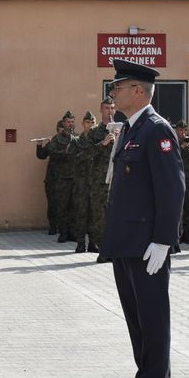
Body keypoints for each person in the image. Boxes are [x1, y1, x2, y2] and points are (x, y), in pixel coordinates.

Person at [101, 59, 184, 378]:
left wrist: (163, 240)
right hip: (127, 242)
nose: (112, 93)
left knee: (152, 316)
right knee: (136, 317)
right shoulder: (132, 129)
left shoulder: (156, 129)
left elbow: (172, 189)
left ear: (138, 90)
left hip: (147, 243)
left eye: (117, 87)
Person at [85, 99, 117, 261]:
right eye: (106, 108)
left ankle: (115, 249)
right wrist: (103, 143)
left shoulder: (123, 129)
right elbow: (86, 154)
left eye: (112, 108)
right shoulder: (94, 132)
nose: (110, 111)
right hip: (100, 180)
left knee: (117, 216)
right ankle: (102, 249)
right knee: (99, 216)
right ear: (101, 110)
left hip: (118, 179)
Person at [44, 112, 79, 243]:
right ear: (63, 123)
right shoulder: (57, 139)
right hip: (61, 178)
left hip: (75, 178)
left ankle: (72, 232)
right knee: (62, 206)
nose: (71, 124)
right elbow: (51, 153)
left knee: (74, 206)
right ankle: (63, 232)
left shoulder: (77, 138)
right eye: (68, 122)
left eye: (72, 122)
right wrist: (64, 152)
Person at [70, 111, 96, 253]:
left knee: (94, 213)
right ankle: (80, 243)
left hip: (95, 181)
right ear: (83, 124)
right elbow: (75, 157)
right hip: (81, 181)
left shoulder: (98, 139)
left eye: (93, 123)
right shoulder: (77, 141)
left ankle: (93, 242)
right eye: (88, 123)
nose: (90, 125)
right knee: (81, 212)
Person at [35, 120, 64, 235]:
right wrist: (39, 144)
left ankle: (64, 228)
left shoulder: (71, 141)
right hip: (52, 179)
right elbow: (41, 155)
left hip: (66, 178)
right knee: (52, 204)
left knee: (66, 205)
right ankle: (53, 226)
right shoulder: (52, 142)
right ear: (57, 131)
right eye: (60, 131)